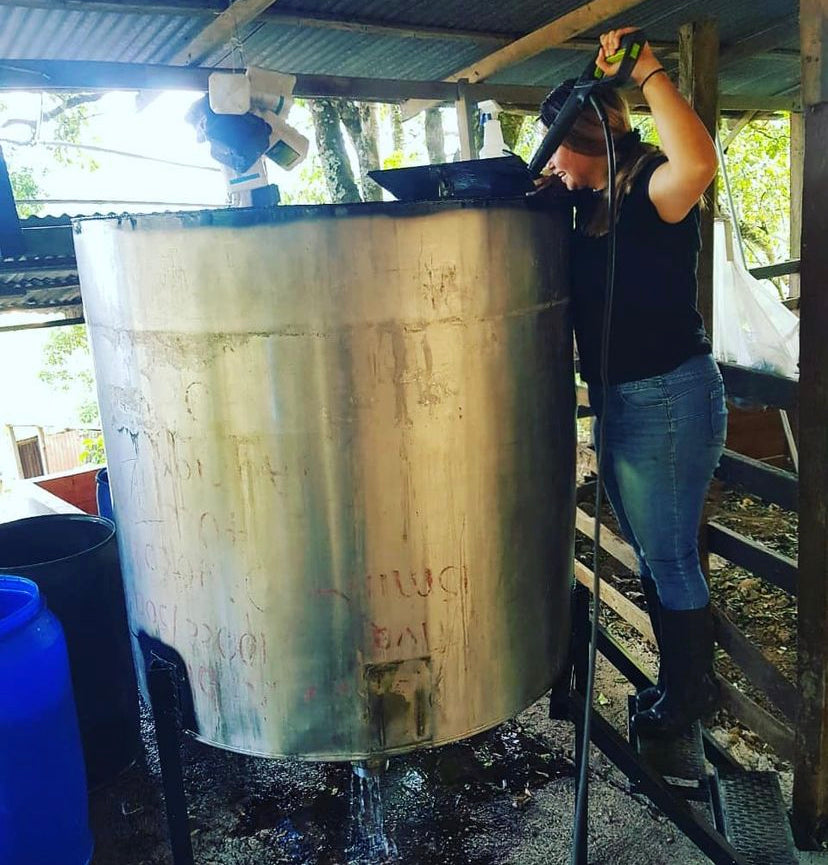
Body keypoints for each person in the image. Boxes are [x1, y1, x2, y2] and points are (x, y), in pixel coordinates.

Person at [537, 28, 726, 738]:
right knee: (654, 551)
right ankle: (678, 686)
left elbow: (700, 161)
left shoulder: (651, 185)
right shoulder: (585, 209)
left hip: (667, 398)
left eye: (556, 146)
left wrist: (646, 70)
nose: (551, 162)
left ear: (583, 137)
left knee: (670, 554)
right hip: (622, 398)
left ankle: (689, 697)